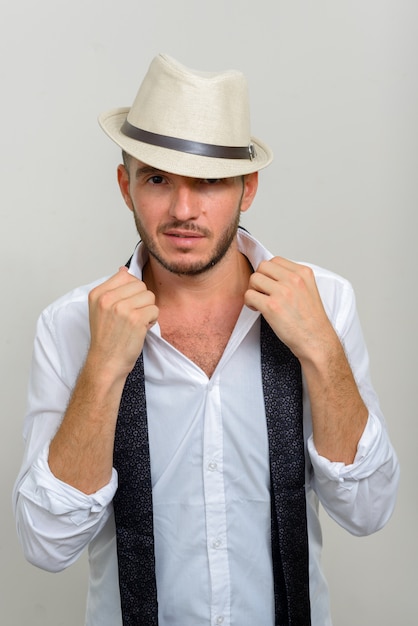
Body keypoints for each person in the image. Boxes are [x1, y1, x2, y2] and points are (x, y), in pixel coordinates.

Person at [13, 53, 399, 626]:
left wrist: (319, 348)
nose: (183, 210)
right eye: (158, 179)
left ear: (248, 188)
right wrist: (102, 369)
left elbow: (367, 510)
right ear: (126, 186)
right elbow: (47, 544)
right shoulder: (70, 324)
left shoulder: (325, 303)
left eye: (211, 182)